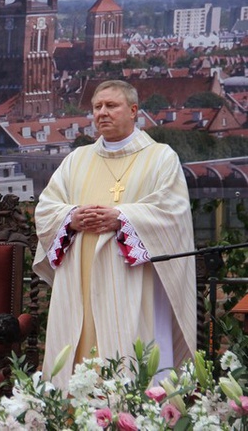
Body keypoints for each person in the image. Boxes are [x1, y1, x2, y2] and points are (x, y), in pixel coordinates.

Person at [32, 79, 196, 386]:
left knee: (130, 355)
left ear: (133, 111)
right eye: (97, 107)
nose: (102, 113)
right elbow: (45, 208)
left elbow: (172, 212)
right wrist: (72, 216)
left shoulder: (160, 157)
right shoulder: (77, 160)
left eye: (112, 105)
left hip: (133, 283)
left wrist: (122, 217)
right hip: (79, 280)